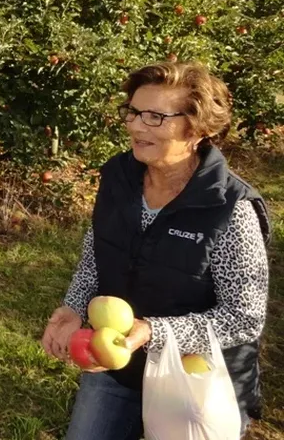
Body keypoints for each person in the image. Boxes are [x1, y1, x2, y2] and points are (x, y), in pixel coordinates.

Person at [40, 62, 270, 439]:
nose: (135, 125)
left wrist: (152, 332)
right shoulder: (119, 177)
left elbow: (243, 318)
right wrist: (74, 306)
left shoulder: (228, 207)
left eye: (155, 116)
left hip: (196, 381)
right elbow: (95, 253)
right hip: (120, 368)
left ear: (198, 129)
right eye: (132, 111)